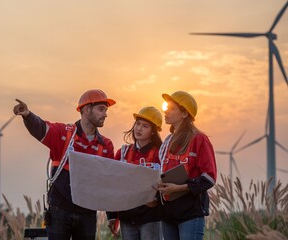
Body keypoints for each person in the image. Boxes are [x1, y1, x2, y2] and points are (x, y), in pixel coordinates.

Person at [13, 89, 116, 240]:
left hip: (87, 213)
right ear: (86, 109)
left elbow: (107, 183)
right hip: (59, 211)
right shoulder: (64, 133)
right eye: (101, 109)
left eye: (106, 110)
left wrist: (112, 216)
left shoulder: (106, 145)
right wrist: (28, 115)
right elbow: (42, 128)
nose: (105, 114)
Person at [153, 91, 217, 240]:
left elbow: (209, 177)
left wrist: (179, 188)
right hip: (167, 212)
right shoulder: (167, 141)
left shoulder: (199, 139)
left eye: (171, 108)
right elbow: (160, 172)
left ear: (184, 113)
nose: (165, 111)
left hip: (190, 212)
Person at [107, 106, 163, 240]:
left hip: (151, 217)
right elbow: (113, 184)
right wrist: (112, 216)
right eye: (137, 124)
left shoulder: (160, 154)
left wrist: (157, 200)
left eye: (145, 126)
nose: (138, 129)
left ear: (153, 132)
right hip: (127, 217)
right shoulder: (123, 153)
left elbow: (168, 182)